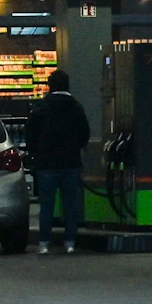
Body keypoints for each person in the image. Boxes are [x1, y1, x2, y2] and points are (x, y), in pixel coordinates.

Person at [25, 68, 91, 254]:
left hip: (46, 164)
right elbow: (84, 134)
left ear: (50, 86)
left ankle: (44, 243)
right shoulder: (76, 107)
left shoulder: (41, 108)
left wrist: (35, 153)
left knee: (47, 205)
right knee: (70, 205)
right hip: (71, 162)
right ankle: (70, 242)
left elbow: (30, 134)